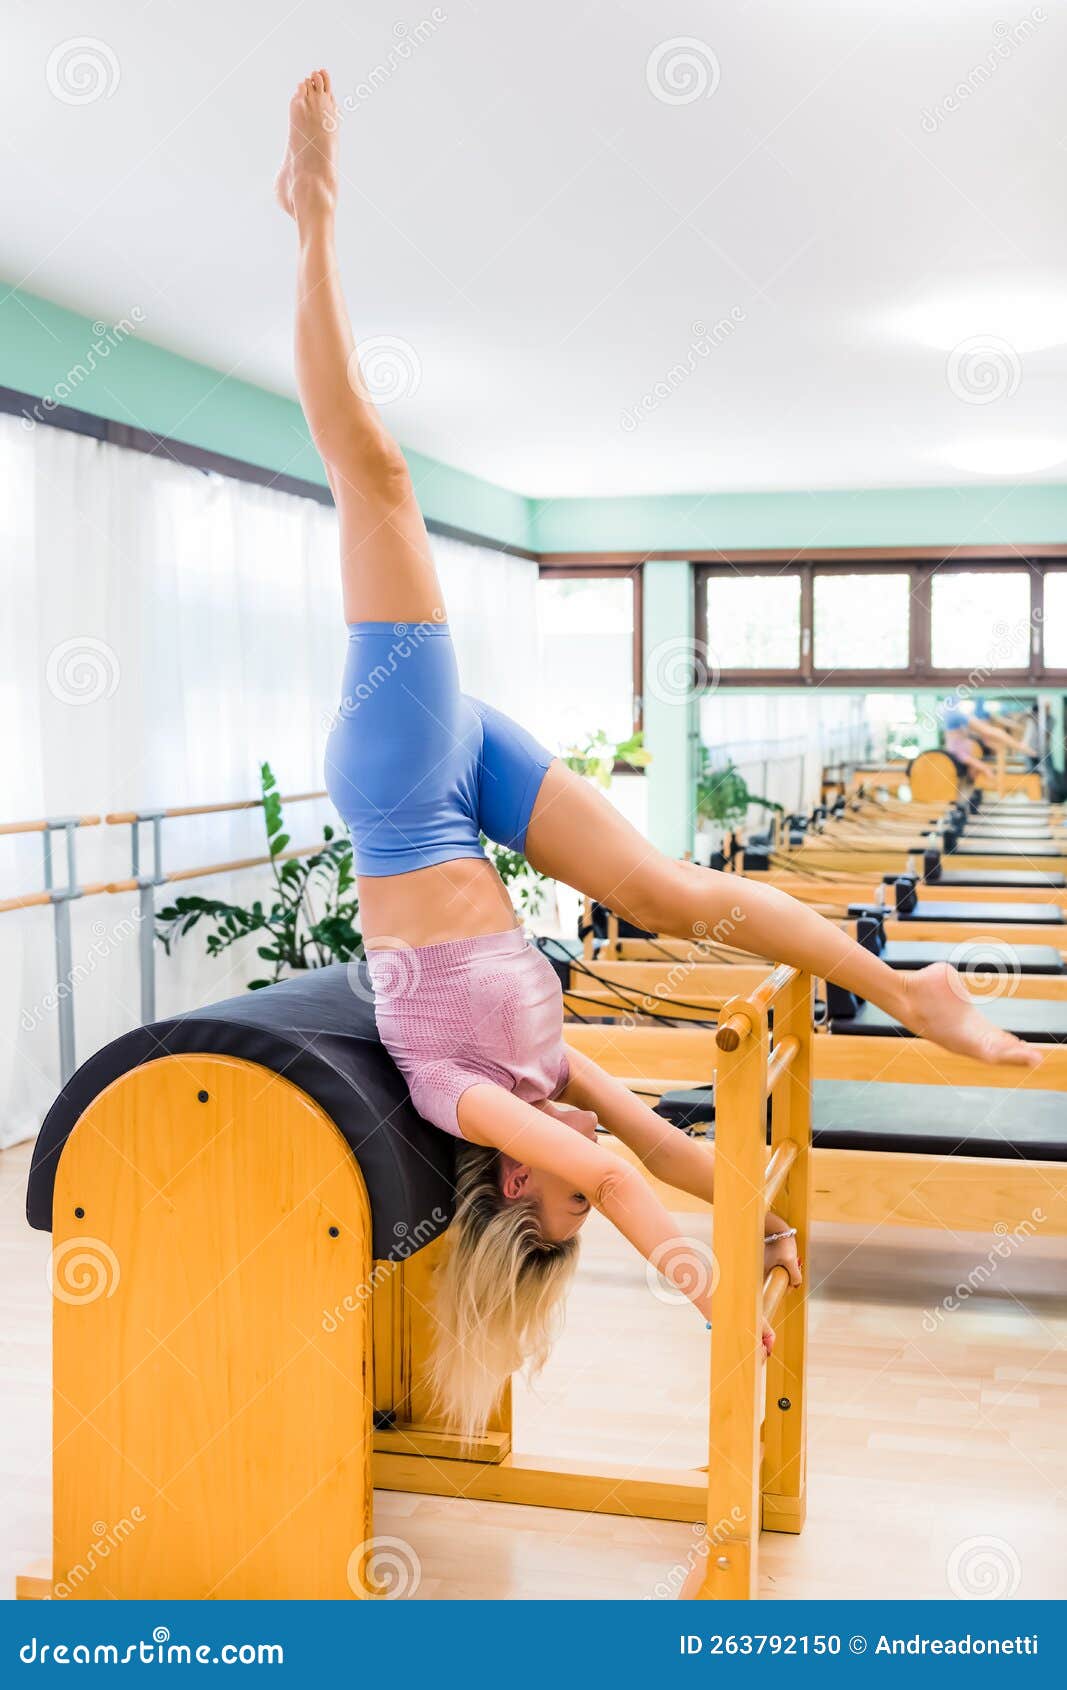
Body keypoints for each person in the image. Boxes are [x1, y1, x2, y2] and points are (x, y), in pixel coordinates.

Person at [277, 70, 1041, 1438]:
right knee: (680, 891)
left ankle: (311, 215)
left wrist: (711, 1307)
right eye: (577, 1175)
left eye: (558, 1191)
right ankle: (906, 984)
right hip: (477, 789)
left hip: (405, 792)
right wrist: (750, 1223)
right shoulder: (540, 1080)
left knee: (377, 476)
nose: (579, 1167)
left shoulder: (464, 1092)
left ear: (514, 1188)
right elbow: (665, 1153)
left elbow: (618, 1185)